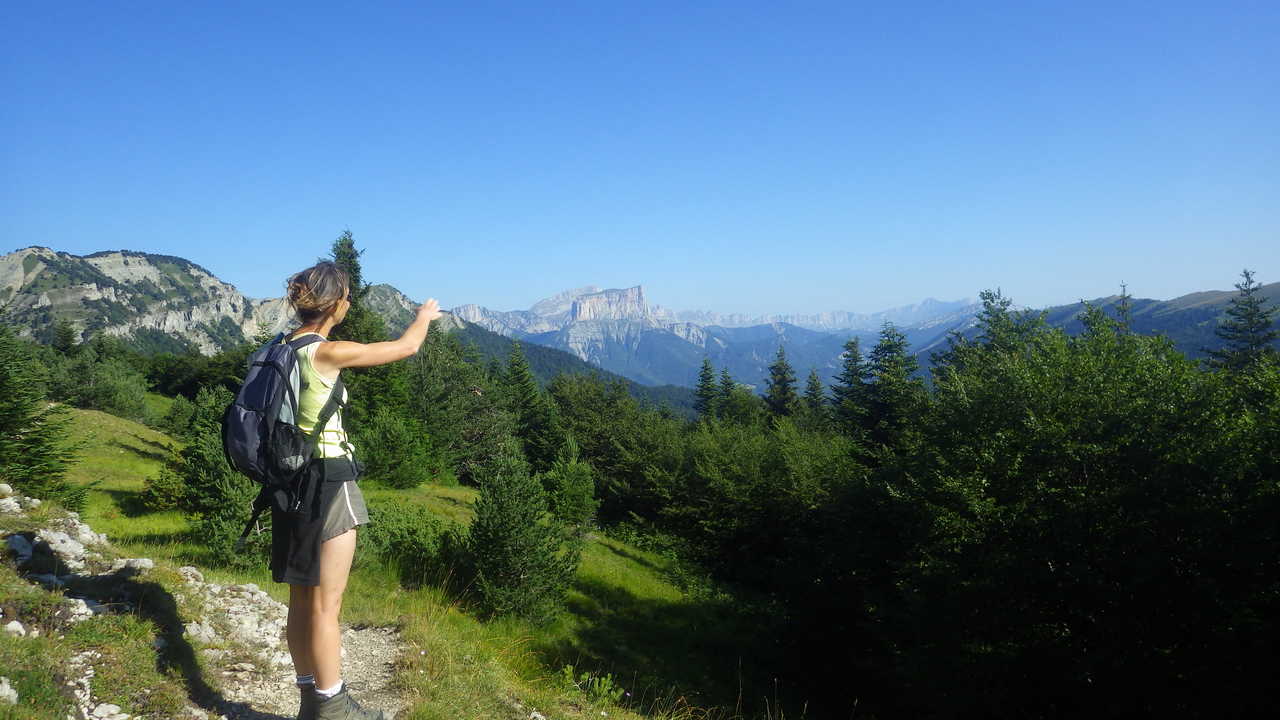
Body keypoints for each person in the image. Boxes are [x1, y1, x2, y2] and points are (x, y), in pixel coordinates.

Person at [275, 261, 441, 720]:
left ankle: (311, 697)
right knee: (327, 604)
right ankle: (334, 706)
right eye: (347, 296)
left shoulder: (281, 348)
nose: (349, 302)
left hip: (289, 482)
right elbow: (406, 347)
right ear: (337, 304)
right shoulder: (325, 352)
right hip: (329, 480)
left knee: (301, 599)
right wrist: (425, 316)